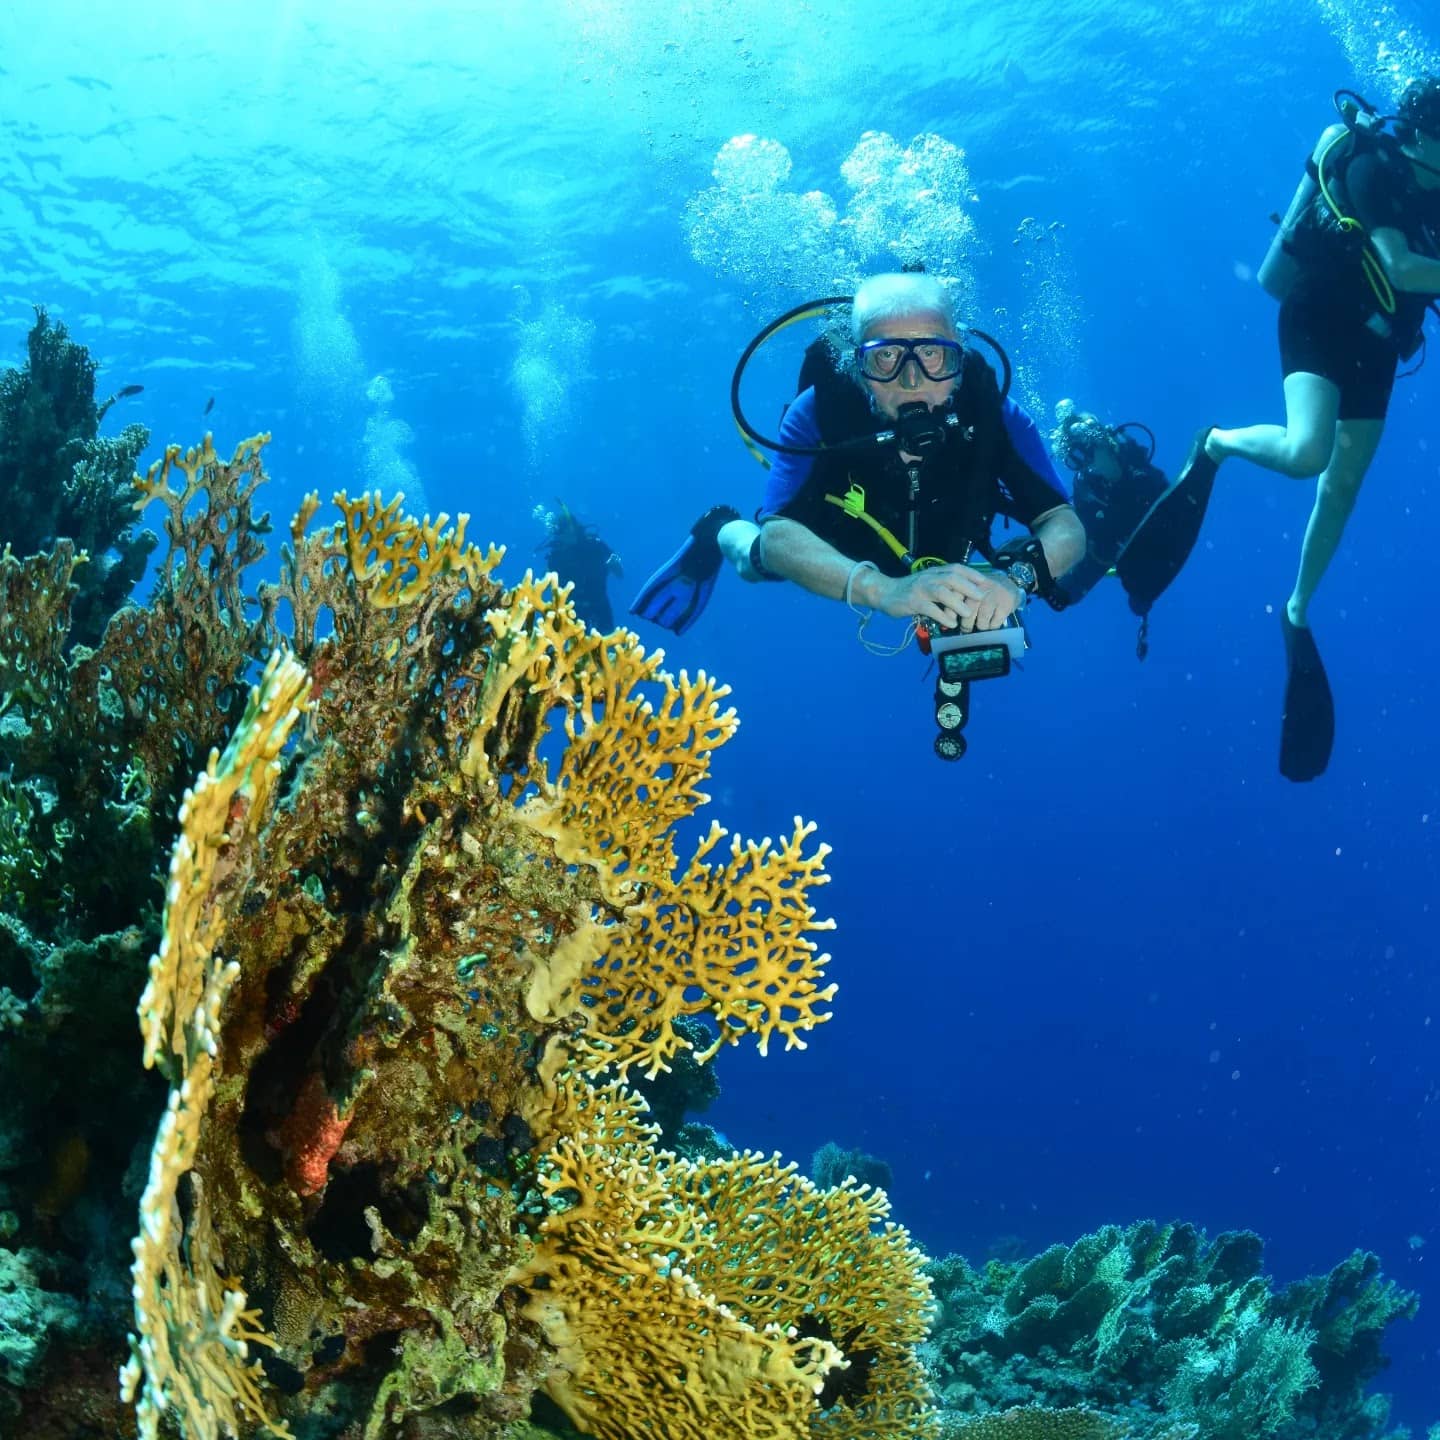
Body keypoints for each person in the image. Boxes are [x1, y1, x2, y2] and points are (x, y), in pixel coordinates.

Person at [1201, 77, 1440, 780]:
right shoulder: (1373, 165)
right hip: (1319, 313)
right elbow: (1397, 262)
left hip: (1376, 340)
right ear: (1426, 132)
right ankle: (1216, 442)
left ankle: (1297, 608)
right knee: (1308, 455)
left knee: (1343, 486)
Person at [632, 272, 1084, 643]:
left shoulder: (993, 412)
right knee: (756, 562)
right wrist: (882, 590)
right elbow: (779, 537)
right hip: (840, 546)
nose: (912, 381)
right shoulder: (821, 410)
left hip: (951, 541)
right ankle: (719, 529)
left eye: (932, 354)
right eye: (885, 357)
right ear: (857, 366)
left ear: (959, 360)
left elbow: (1064, 522)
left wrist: (1016, 582)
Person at [1050, 401, 1218, 656]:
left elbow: (1163, 495)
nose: (1087, 467)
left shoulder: (1133, 459)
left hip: (1149, 534)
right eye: (1077, 462)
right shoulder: (1086, 487)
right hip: (1105, 548)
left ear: (1101, 443)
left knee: (1139, 601)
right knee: (1062, 597)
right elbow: (1088, 539)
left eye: (1086, 457)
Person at [535, 502, 622, 633]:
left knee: (607, 644)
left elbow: (619, 573)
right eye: (561, 533)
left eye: (567, 531)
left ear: (574, 528)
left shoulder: (595, 545)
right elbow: (547, 583)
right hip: (573, 609)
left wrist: (615, 566)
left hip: (600, 603)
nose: (564, 536)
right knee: (576, 649)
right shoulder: (556, 556)